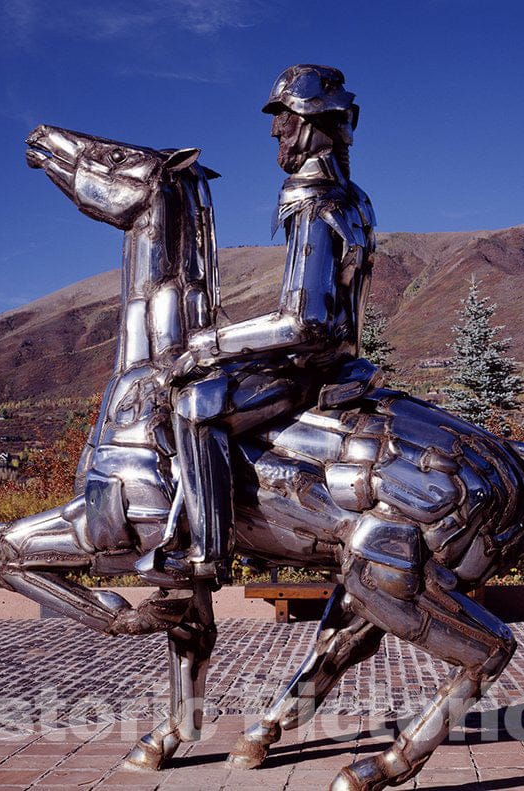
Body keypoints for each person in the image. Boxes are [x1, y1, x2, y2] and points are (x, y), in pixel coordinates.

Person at [138, 64, 376, 587]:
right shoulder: (357, 200)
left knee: (195, 407)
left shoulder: (311, 199)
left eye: (285, 121)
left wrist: (206, 344)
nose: (275, 132)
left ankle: (206, 552)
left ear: (314, 124)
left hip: (306, 370)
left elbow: (303, 320)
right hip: (342, 363)